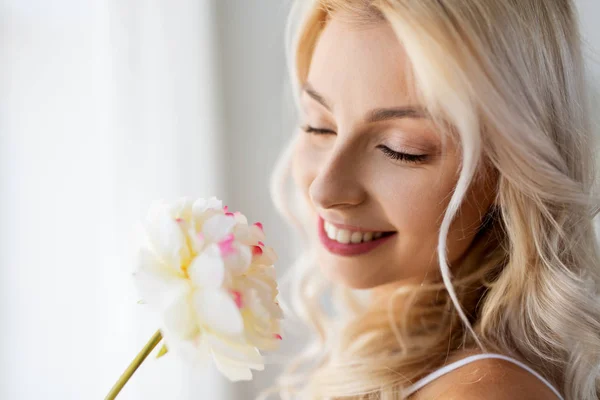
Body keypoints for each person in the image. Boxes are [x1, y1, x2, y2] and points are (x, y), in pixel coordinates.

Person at [266, 1, 600, 399]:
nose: (324, 189)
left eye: (401, 149)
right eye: (318, 125)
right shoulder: (408, 345)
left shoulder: (484, 391)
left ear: (509, 170)